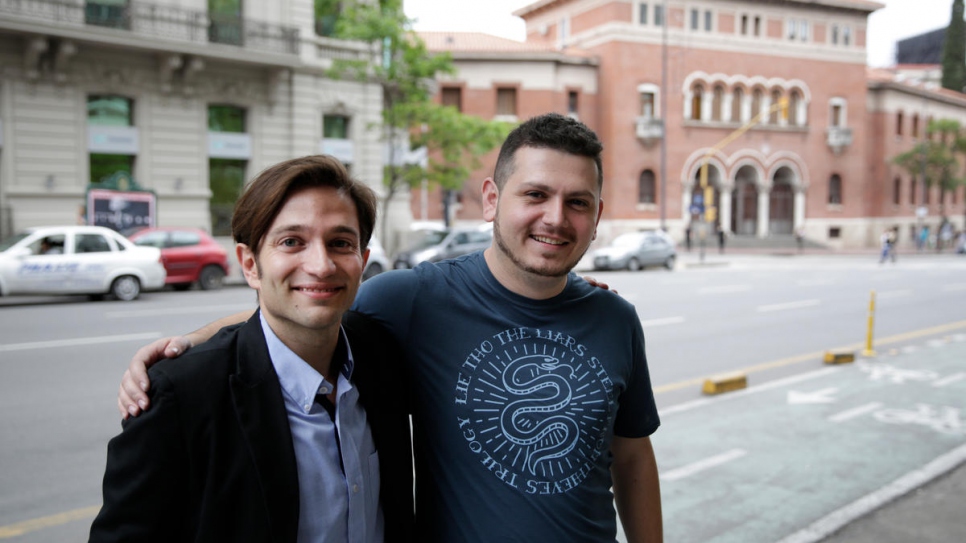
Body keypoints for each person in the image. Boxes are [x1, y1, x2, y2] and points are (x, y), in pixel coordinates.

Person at [118, 114, 663, 542]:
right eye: (536, 195)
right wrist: (185, 346)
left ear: (595, 216)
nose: (555, 218)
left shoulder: (615, 317)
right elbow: (310, 300)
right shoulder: (415, 298)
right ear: (493, 199)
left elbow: (633, 458)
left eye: (578, 203)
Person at [91, 156, 415, 543]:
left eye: (340, 243)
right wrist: (191, 345)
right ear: (249, 264)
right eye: (291, 242)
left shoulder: (383, 352)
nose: (321, 265)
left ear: (362, 262)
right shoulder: (180, 398)